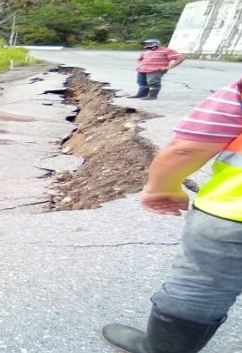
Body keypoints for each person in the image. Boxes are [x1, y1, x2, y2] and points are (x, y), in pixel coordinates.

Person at [102, 78, 242, 352]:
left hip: (232, 212)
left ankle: (162, 349)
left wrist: (161, 188)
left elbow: (185, 149)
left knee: (201, 285)